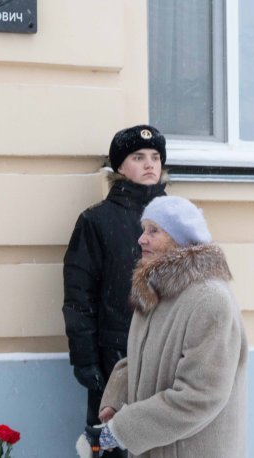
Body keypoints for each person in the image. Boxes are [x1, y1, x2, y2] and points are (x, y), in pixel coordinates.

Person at [91, 196, 247, 457]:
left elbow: (199, 396)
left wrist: (122, 430)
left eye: (154, 231)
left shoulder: (210, 300)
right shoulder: (156, 291)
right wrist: (117, 398)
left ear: (180, 239)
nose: (142, 239)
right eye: (143, 229)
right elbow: (142, 357)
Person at [62, 124, 168, 456]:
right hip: (115, 361)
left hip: (167, 358)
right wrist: (86, 362)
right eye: (138, 157)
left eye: (155, 157)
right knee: (109, 446)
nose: (150, 164)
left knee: (162, 445)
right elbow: (79, 296)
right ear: (120, 167)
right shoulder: (97, 221)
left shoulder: (178, 220)